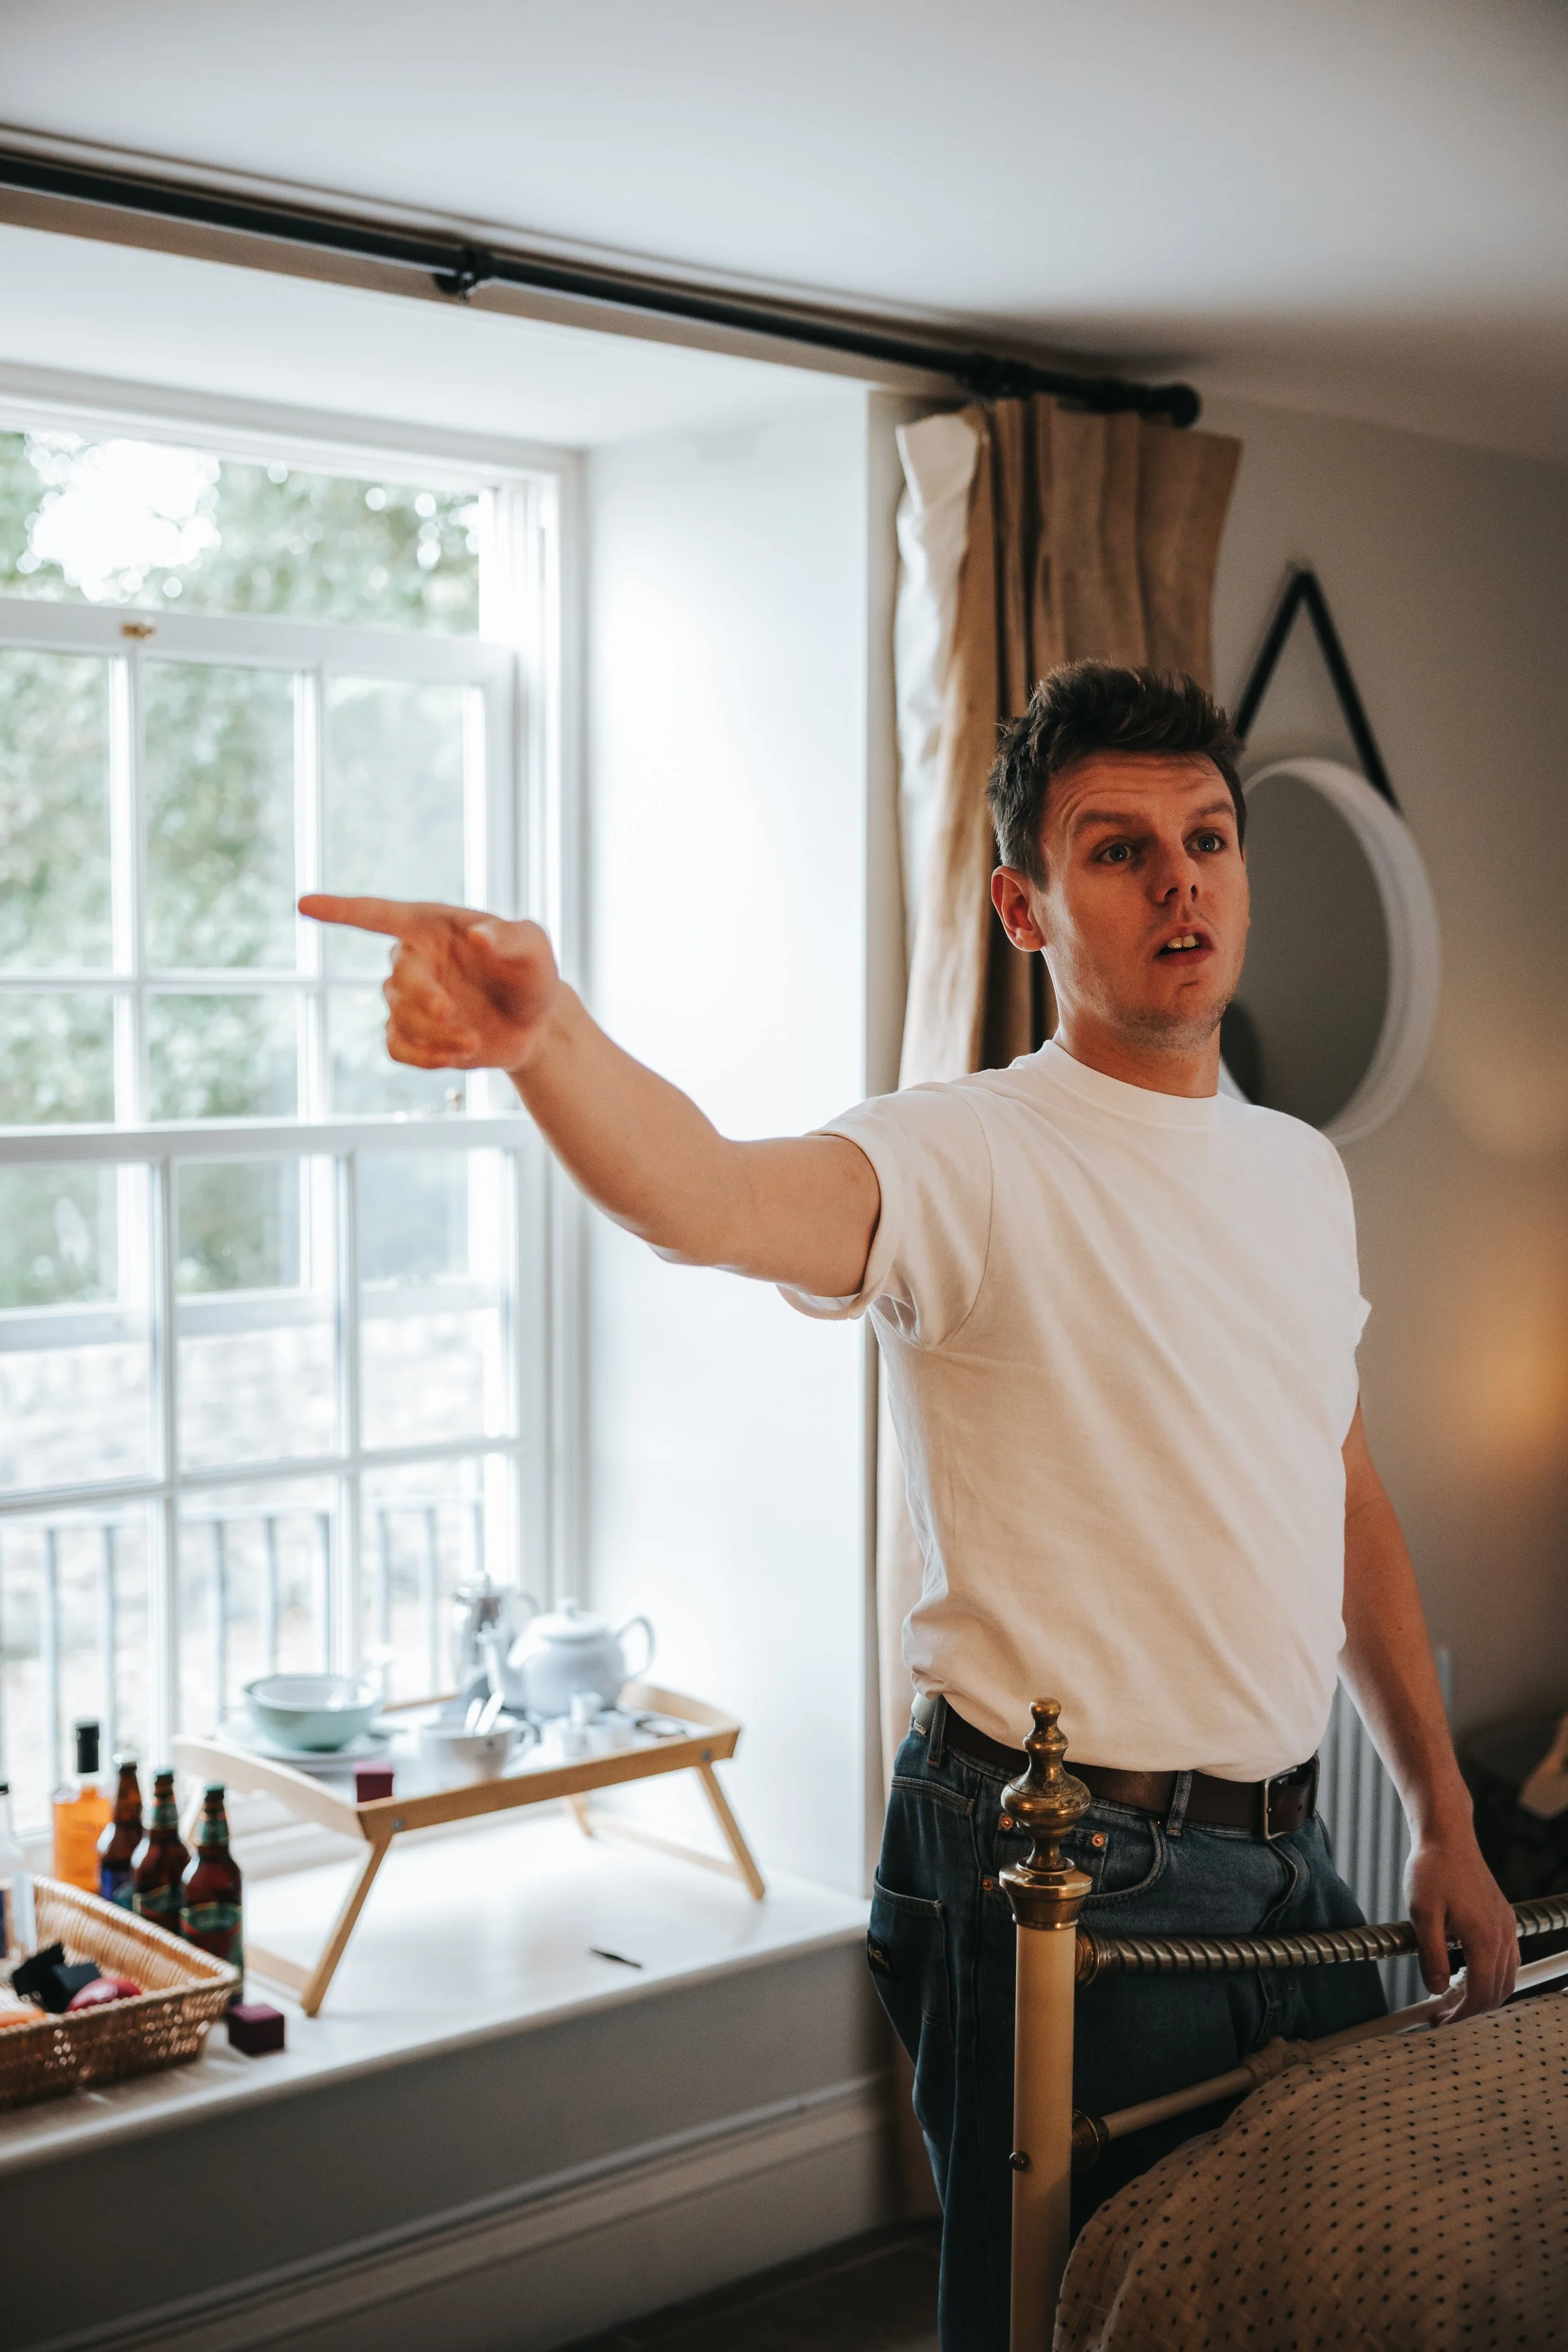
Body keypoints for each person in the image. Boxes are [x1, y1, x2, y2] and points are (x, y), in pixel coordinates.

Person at [302, 660, 1517, 2352]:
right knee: (1058, 2323)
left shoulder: (1296, 1169)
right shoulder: (965, 1154)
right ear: (1023, 902)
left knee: (1296, 2307)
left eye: (1207, 836)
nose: (1180, 879)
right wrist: (546, 1040)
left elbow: (1344, 1485)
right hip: (1057, 1868)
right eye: (1117, 849)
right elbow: (716, 1196)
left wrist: (1444, 1816)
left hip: (1293, 1860)